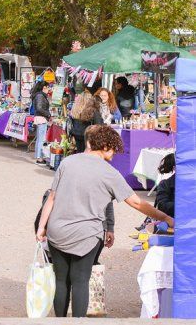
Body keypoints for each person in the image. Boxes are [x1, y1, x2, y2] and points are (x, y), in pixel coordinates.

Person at [37, 124, 174, 317]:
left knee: (61, 280)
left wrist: (42, 227)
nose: (115, 155)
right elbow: (136, 203)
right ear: (107, 146)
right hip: (86, 236)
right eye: (114, 150)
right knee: (80, 281)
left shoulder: (68, 162)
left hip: (57, 230)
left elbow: (52, 197)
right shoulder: (109, 173)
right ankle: (78, 321)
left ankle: (59, 320)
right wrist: (166, 217)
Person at [69, 86, 103, 153]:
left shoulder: (75, 109)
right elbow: (98, 124)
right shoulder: (92, 111)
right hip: (86, 135)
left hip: (76, 133)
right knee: (86, 153)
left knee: (79, 151)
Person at [31, 81, 51, 163]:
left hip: (40, 118)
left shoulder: (39, 95)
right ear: (44, 87)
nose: (49, 89)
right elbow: (39, 108)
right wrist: (48, 114)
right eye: (48, 87)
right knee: (41, 139)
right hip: (41, 119)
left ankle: (38, 156)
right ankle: (39, 158)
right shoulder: (40, 96)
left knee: (40, 138)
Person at [154, 153, 176, 217]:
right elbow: (162, 206)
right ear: (175, 168)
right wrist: (183, 205)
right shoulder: (165, 184)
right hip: (173, 221)